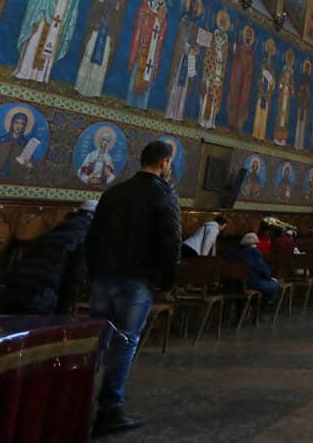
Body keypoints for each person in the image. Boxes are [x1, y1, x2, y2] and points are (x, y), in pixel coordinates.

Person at [86, 140, 181, 437]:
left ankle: (75, 400)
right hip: (137, 279)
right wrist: (168, 281)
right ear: (164, 163)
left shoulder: (114, 192)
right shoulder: (163, 194)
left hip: (104, 276)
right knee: (124, 343)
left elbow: (93, 235)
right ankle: (109, 409)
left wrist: (92, 272)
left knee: (96, 341)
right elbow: (171, 241)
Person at [1, 200, 97, 315]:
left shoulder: (60, 228)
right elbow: (74, 277)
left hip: (13, 287)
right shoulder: (83, 236)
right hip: (39, 294)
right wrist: (64, 310)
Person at [224, 232, 280, 309]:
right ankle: (261, 310)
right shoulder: (254, 252)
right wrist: (270, 277)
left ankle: (251, 305)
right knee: (275, 285)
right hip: (249, 283)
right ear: (252, 244)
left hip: (230, 285)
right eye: (256, 244)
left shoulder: (230, 252)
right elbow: (262, 269)